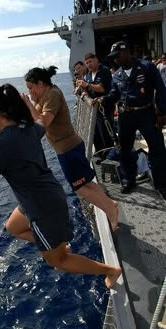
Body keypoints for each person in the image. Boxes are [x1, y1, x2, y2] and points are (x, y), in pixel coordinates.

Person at [0, 83, 121, 288]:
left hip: (41, 208)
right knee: (13, 227)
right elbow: (41, 121)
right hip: (45, 195)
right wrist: (27, 103)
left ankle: (110, 271)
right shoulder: (26, 127)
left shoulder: (0, 145)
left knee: (57, 262)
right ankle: (57, 245)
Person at [23, 66, 119, 231]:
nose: (31, 91)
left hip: (68, 149)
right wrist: (32, 102)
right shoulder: (46, 95)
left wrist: (28, 103)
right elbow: (36, 115)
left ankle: (111, 211)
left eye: (31, 88)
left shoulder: (52, 95)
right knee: (86, 181)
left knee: (79, 187)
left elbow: (43, 122)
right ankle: (110, 203)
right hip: (68, 148)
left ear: (40, 84)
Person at [98, 41, 166, 195]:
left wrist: (162, 113)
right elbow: (114, 94)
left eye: (117, 56)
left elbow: (160, 89)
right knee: (125, 150)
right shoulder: (117, 75)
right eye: (113, 57)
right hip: (125, 115)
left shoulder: (147, 67)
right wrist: (103, 99)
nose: (115, 59)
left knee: (157, 149)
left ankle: (162, 184)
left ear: (127, 52)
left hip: (146, 113)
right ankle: (129, 179)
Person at [76, 53, 116, 155]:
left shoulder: (104, 71)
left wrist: (87, 85)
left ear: (96, 60)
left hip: (105, 109)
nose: (89, 64)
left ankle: (111, 156)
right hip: (94, 111)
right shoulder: (88, 75)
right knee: (96, 135)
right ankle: (101, 155)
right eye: (87, 62)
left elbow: (101, 88)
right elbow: (85, 89)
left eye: (90, 61)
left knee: (107, 135)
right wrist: (83, 90)